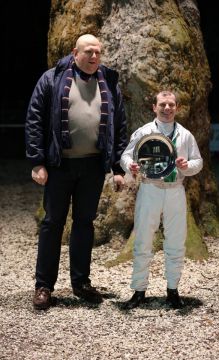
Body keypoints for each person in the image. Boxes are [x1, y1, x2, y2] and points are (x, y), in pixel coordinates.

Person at [25, 34, 127, 310]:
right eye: (88, 52)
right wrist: (37, 161)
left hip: (93, 166)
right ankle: (44, 286)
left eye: (98, 52)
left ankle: (81, 283)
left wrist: (118, 166)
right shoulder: (52, 79)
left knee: (84, 224)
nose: (94, 57)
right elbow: (34, 119)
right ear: (75, 53)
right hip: (60, 165)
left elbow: (119, 125)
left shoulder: (109, 80)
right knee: (52, 224)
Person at [120, 90, 203, 309]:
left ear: (177, 107)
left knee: (176, 241)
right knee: (143, 240)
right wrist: (131, 166)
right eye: (163, 104)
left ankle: (173, 290)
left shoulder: (185, 135)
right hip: (150, 189)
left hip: (175, 190)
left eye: (171, 105)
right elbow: (126, 155)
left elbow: (198, 162)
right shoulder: (144, 132)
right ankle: (139, 291)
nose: (167, 109)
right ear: (154, 107)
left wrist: (188, 166)